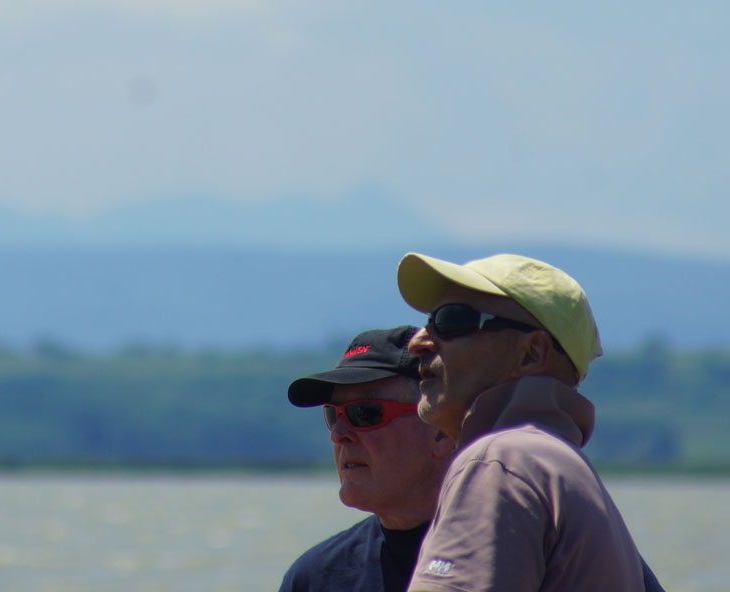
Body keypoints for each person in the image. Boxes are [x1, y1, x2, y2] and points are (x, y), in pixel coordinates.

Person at [397, 251, 655, 592]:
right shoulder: (563, 470)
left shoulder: (500, 462)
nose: (417, 342)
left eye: (451, 320)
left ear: (531, 354)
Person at [278, 325, 457, 592]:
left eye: (365, 413)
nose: (339, 434)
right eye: (333, 415)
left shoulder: (509, 558)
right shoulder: (313, 579)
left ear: (441, 431)